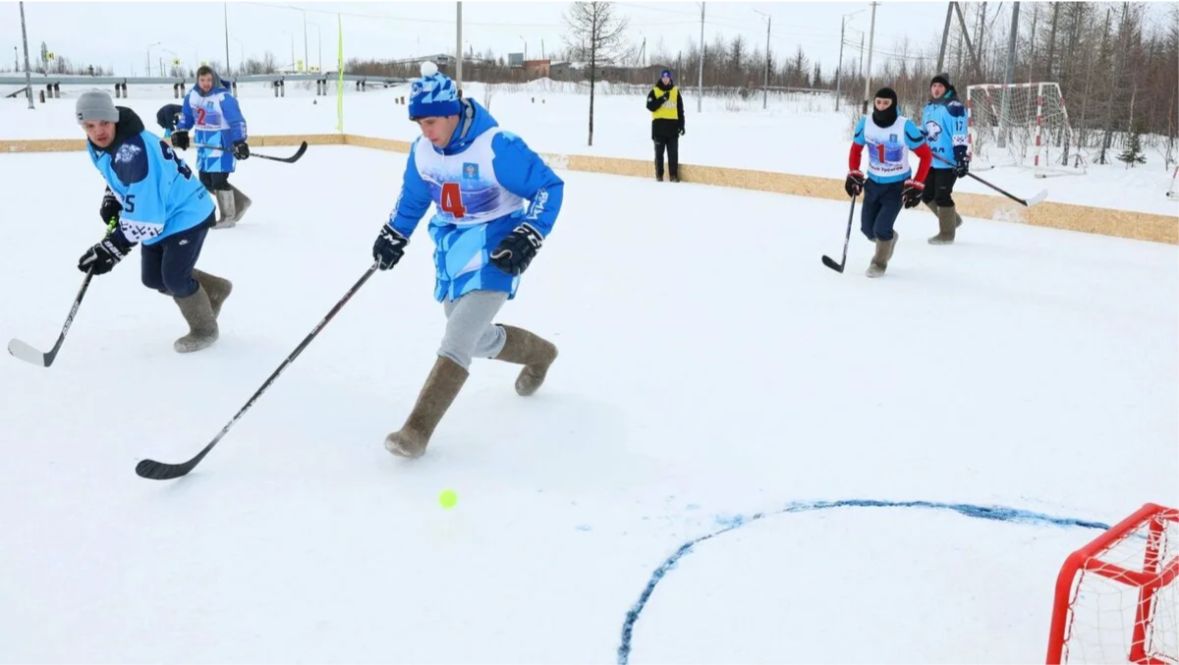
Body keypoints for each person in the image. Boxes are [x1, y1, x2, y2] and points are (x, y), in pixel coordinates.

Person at [371, 62, 564, 459]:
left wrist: (530, 232)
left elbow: (549, 186)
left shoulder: (497, 146)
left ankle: (416, 430)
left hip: (498, 250)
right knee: (473, 337)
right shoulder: (423, 152)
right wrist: (394, 233)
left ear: (453, 113)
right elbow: (413, 199)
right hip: (453, 251)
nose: (426, 131)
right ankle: (539, 353)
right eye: (419, 123)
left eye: (431, 122)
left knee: (458, 336)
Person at [74, 90, 232, 352]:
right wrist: (113, 198)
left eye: (104, 123)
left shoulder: (134, 152)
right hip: (162, 209)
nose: (98, 131)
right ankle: (213, 290)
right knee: (153, 278)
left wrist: (112, 249)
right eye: (90, 126)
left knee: (174, 279)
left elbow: (145, 219)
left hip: (186, 212)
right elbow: (118, 175)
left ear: (114, 119)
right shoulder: (101, 145)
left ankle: (205, 328)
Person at [845, 87, 933, 277]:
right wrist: (853, 173)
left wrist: (917, 184)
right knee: (868, 230)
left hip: (897, 186)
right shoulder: (865, 124)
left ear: (893, 104)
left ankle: (879, 263)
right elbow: (856, 150)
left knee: (881, 228)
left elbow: (926, 156)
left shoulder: (904, 126)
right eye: (878, 102)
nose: (882, 106)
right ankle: (889, 239)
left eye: (886, 103)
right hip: (873, 183)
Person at [171, 66, 251, 229]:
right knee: (206, 180)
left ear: (214, 79)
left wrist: (239, 141)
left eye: (209, 80)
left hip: (221, 143)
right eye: (202, 80)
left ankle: (228, 216)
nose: (206, 83)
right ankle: (240, 202)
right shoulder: (192, 97)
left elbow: (237, 121)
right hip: (204, 144)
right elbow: (187, 117)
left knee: (219, 180)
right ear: (197, 80)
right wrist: (181, 131)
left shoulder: (223, 97)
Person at [921, 73, 969, 244]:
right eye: (934, 86)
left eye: (940, 86)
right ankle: (952, 220)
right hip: (931, 160)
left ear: (947, 88)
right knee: (926, 194)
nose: (936, 89)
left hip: (948, 162)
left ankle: (947, 234)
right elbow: (925, 131)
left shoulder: (954, 107)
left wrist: (961, 158)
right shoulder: (928, 108)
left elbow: (960, 134)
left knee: (942, 197)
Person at [645, 69, 685, 182]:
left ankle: (673, 175)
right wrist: (662, 99)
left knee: (673, 154)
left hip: (672, 128)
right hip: (658, 128)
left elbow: (680, 110)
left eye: (667, 77)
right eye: (664, 77)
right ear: (661, 78)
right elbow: (650, 106)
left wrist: (681, 125)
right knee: (659, 154)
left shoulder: (676, 91)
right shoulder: (655, 91)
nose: (666, 79)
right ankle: (659, 175)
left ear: (670, 78)